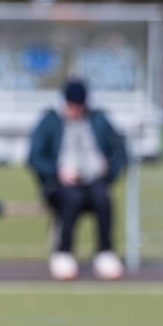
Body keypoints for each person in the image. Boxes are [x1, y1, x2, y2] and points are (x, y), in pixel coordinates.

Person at [27, 78, 128, 280]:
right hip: (60, 183)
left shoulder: (98, 119)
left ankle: (105, 253)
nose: (75, 110)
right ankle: (63, 253)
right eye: (72, 106)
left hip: (94, 180)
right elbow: (34, 157)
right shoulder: (50, 121)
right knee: (71, 198)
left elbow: (121, 151)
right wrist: (57, 172)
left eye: (79, 106)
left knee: (103, 198)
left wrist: (109, 171)